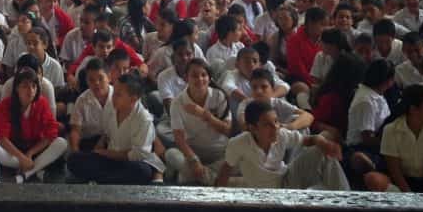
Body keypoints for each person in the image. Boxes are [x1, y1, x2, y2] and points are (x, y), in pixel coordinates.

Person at [217, 100, 348, 190]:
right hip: (267, 195)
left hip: (288, 180)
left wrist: (322, 142)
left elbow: (308, 140)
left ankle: (346, 202)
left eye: (276, 121)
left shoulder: (281, 134)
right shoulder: (239, 143)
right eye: (267, 124)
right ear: (252, 128)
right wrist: (217, 198)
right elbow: (226, 169)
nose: (275, 127)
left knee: (321, 152)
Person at [67, 73, 164, 184]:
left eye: (118, 95)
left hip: (130, 163)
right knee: (73, 160)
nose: (113, 97)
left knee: (142, 171)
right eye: (114, 93)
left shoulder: (144, 120)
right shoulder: (112, 107)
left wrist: (106, 153)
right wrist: (98, 149)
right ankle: (107, 180)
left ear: (133, 99)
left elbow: (138, 154)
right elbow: (106, 133)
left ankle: (100, 180)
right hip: (109, 160)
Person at [365, 84, 423, 192]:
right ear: (413, 109)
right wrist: (408, 195)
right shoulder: (391, 130)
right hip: (403, 182)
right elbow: (394, 170)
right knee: (372, 178)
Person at [164, 57, 232, 185]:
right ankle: (214, 180)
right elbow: (179, 139)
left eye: (204, 75)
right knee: (171, 154)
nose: (200, 79)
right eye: (194, 76)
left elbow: (228, 131)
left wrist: (205, 115)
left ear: (209, 78)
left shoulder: (219, 96)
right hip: (193, 153)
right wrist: (194, 160)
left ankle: (197, 177)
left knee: (239, 159)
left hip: (219, 152)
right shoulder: (177, 103)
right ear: (186, 78)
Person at [0, 67, 67, 182]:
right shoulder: (4, 105)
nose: (30, 90)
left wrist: (30, 153)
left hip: (35, 151)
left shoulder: (42, 103)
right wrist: (21, 157)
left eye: (34, 86)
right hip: (12, 152)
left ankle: (25, 175)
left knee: (61, 143)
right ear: (17, 88)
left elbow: (50, 132)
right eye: (25, 86)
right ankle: (34, 168)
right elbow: (1, 138)